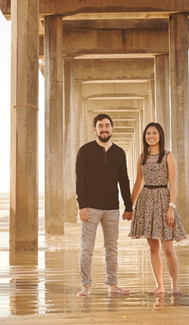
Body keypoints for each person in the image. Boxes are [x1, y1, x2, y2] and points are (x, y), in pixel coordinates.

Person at [75, 113, 133, 297]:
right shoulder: (85, 151)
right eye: (100, 126)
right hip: (90, 207)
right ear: (95, 129)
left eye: (107, 125)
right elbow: (80, 181)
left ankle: (113, 285)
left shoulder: (119, 153)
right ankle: (86, 286)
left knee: (112, 248)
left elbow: (124, 181)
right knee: (87, 248)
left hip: (112, 208)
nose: (104, 129)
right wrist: (82, 205)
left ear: (112, 128)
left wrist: (129, 206)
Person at [129, 122, 187, 295]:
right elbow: (138, 183)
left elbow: (173, 184)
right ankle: (159, 286)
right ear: (144, 136)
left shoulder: (168, 156)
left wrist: (171, 207)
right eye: (148, 133)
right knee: (153, 248)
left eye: (154, 133)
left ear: (160, 135)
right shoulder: (141, 157)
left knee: (168, 248)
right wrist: (129, 207)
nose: (151, 136)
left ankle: (174, 286)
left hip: (163, 200)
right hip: (146, 201)